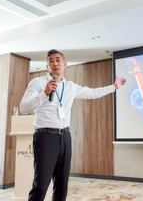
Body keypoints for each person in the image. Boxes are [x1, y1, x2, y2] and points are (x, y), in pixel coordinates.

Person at [19, 49, 126, 201]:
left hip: (65, 137)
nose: (55, 63)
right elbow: (23, 108)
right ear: (47, 65)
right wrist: (44, 93)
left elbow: (92, 93)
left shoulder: (70, 87)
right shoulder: (37, 83)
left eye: (58, 60)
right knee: (41, 185)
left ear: (65, 64)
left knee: (62, 185)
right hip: (45, 137)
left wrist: (113, 87)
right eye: (51, 60)